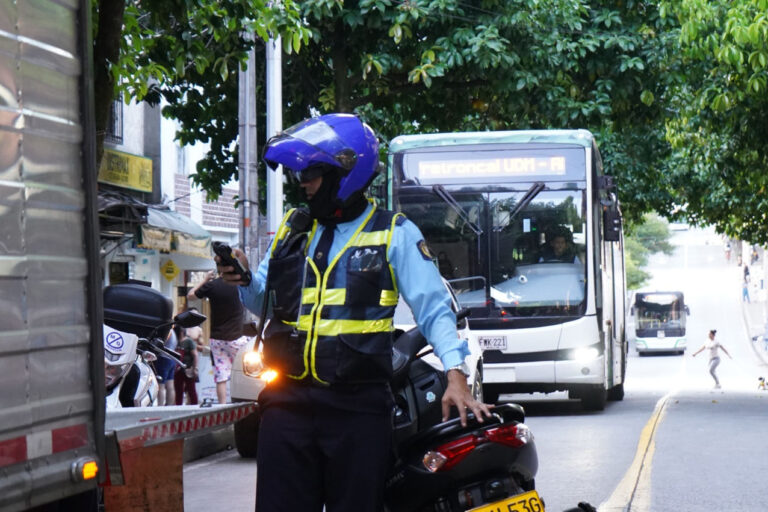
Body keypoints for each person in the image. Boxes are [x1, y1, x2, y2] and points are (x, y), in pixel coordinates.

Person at [215, 113, 491, 512]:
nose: (302, 183)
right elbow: (266, 302)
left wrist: (456, 375)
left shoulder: (394, 232)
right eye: (299, 175)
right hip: (287, 402)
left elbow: (433, 310)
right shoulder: (293, 229)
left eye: (311, 173)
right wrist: (243, 281)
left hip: (357, 409)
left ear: (346, 172)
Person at [187, 269, 248, 404]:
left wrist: (205, 279)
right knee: (244, 372)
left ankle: (222, 407)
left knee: (221, 377)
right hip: (237, 338)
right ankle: (242, 403)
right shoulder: (239, 284)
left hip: (217, 339)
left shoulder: (212, 285)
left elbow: (190, 295)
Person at [174, 325, 200, 404]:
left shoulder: (189, 341)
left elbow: (195, 355)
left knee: (191, 390)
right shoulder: (176, 342)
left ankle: (195, 406)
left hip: (188, 369)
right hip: (178, 370)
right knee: (178, 390)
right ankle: (178, 407)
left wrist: (195, 368)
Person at [154, 326, 178, 406]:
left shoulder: (167, 331)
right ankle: (169, 405)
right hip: (172, 358)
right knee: (170, 385)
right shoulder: (173, 333)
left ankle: (160, 405)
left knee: (161, 385)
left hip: (163, 358)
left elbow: (160, 343)